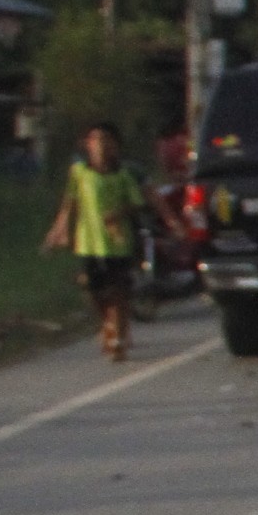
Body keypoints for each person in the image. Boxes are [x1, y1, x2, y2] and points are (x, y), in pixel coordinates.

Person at [43, 122, 160, 365]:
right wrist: (59, 231)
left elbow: (137, 202)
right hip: (89, 243)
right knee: (92, 290)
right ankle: (107, 322)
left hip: (119, 243)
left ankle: (117, 339)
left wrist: (118, 213)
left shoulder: (123, 175)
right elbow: (69, 204)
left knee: (118, 291)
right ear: (87, 145)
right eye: (96, 140)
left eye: (106, 139)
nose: (102, 145)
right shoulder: (79, 173)